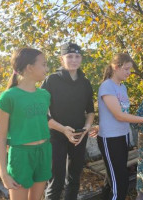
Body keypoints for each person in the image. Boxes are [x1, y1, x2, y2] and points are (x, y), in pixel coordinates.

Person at [94, 53, 143, 200]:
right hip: (110, 139)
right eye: (126, 69)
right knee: (120, 183)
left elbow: (120, 112)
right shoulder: (107, 86)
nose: (129, 73)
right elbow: (119, 115)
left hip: (123, 135)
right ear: (116, 68)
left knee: (112, 179)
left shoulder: (122, 87)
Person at [41, 43, 95, 200]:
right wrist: (63, 129)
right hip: (56, 135)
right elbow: (42, 113)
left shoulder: (85, 83)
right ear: (61, 59)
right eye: (69, 56)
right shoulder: (51, 80)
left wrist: (86, 128)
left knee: (74, 178)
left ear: (81, 59)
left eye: (77, 56)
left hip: (79, 135)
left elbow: (90, 111)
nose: (74, 60)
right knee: (56, 180)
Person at [0, 48, 51, 200]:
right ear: (29, 67)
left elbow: (45, 122)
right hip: (21, 156)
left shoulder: (45, 95)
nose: (47, 69)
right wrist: (3, 173)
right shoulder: (9, 97)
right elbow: (0, 138)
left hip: (44, 152)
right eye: (44, 64)